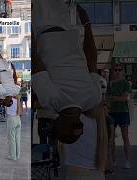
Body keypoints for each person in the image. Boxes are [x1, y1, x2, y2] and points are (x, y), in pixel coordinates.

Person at [33, 1, 102, 144]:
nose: (52, 123)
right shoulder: (50, 100)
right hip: (44, 23)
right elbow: (35, 61)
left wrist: (87, 23)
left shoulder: (94, 98)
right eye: (55, 126)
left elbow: (91, 58)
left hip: (69, 28)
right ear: (60, 125)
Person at [108, 64, 132, 169]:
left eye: (119, 70)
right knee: (111, 138)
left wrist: (112, 97)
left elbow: (125, 98)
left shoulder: (126, 83)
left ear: (123, 72)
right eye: (115, 70)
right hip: (111, 112)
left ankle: (127, 161)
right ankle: (113, 161)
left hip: (123, 112)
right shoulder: (110, 84)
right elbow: (108, 99)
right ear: (113, 72)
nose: (117, 72)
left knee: (125, 137)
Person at [5, 94, 22, 160]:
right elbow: (20, 112)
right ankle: (17, 155)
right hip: (18, 119)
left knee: (11, 138)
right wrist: (18, 100)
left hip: (11, 118)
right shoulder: (17, 99)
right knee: (17, 138)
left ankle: (13, 156)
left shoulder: (8, 99)